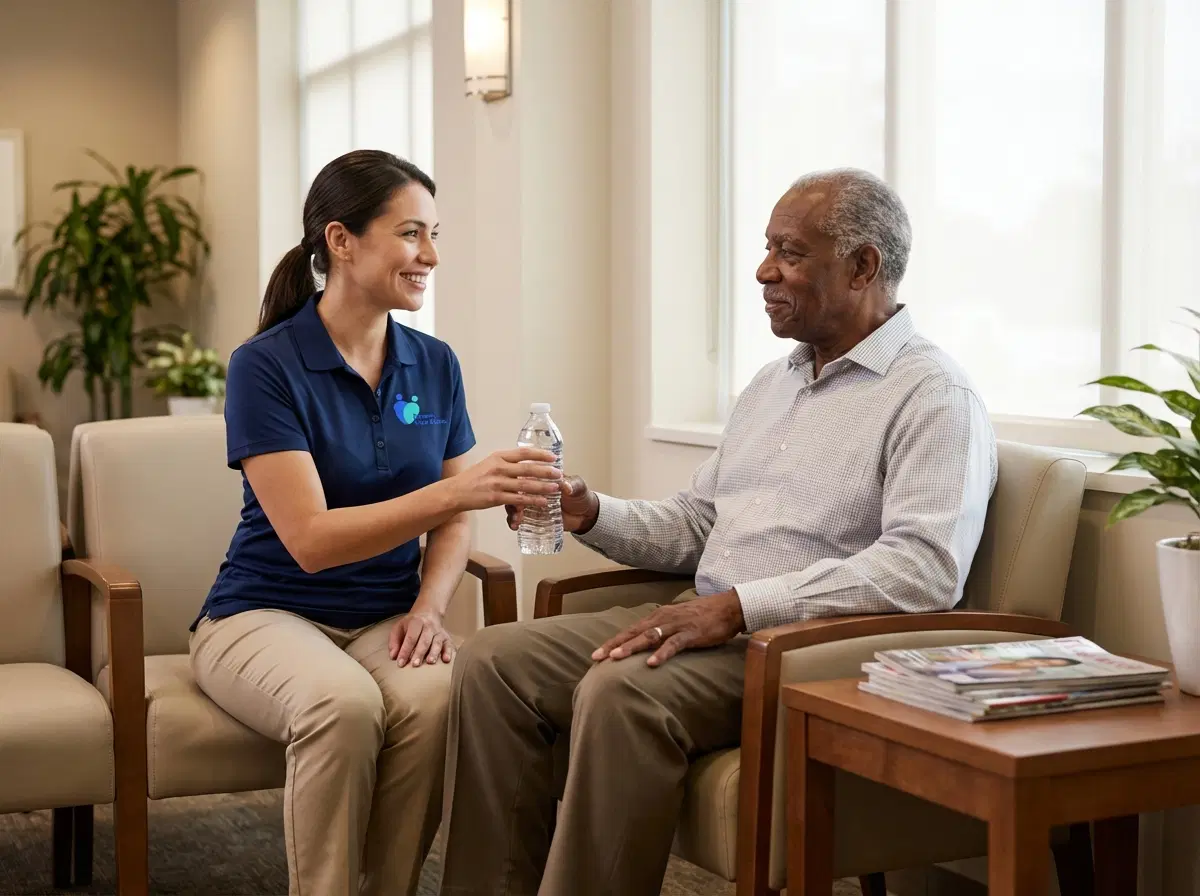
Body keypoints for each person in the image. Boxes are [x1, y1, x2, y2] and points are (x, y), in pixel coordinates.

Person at [439, 168, 998, 896]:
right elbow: (698, 521)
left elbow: (921, 569)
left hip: (807, 653)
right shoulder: (773, 384)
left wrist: (739, 607)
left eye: (791, 252)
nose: (765, 271)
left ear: (864, 265)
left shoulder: (934, 397)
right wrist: (590, 511)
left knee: (619, 693)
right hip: (708, 627)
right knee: (492, 661)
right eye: (768, 247)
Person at [187, 150, 562, 896]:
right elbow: (312, 541)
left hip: (384, 616)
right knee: (343, 704)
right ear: (341, 240)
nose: (430, 256)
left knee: (434, 698)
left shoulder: (434, 363)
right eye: (411, 233)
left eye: (433, 234)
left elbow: (456, 520)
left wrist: (429, 608)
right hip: (262, 611)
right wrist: (458, 494)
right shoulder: (265, 365)